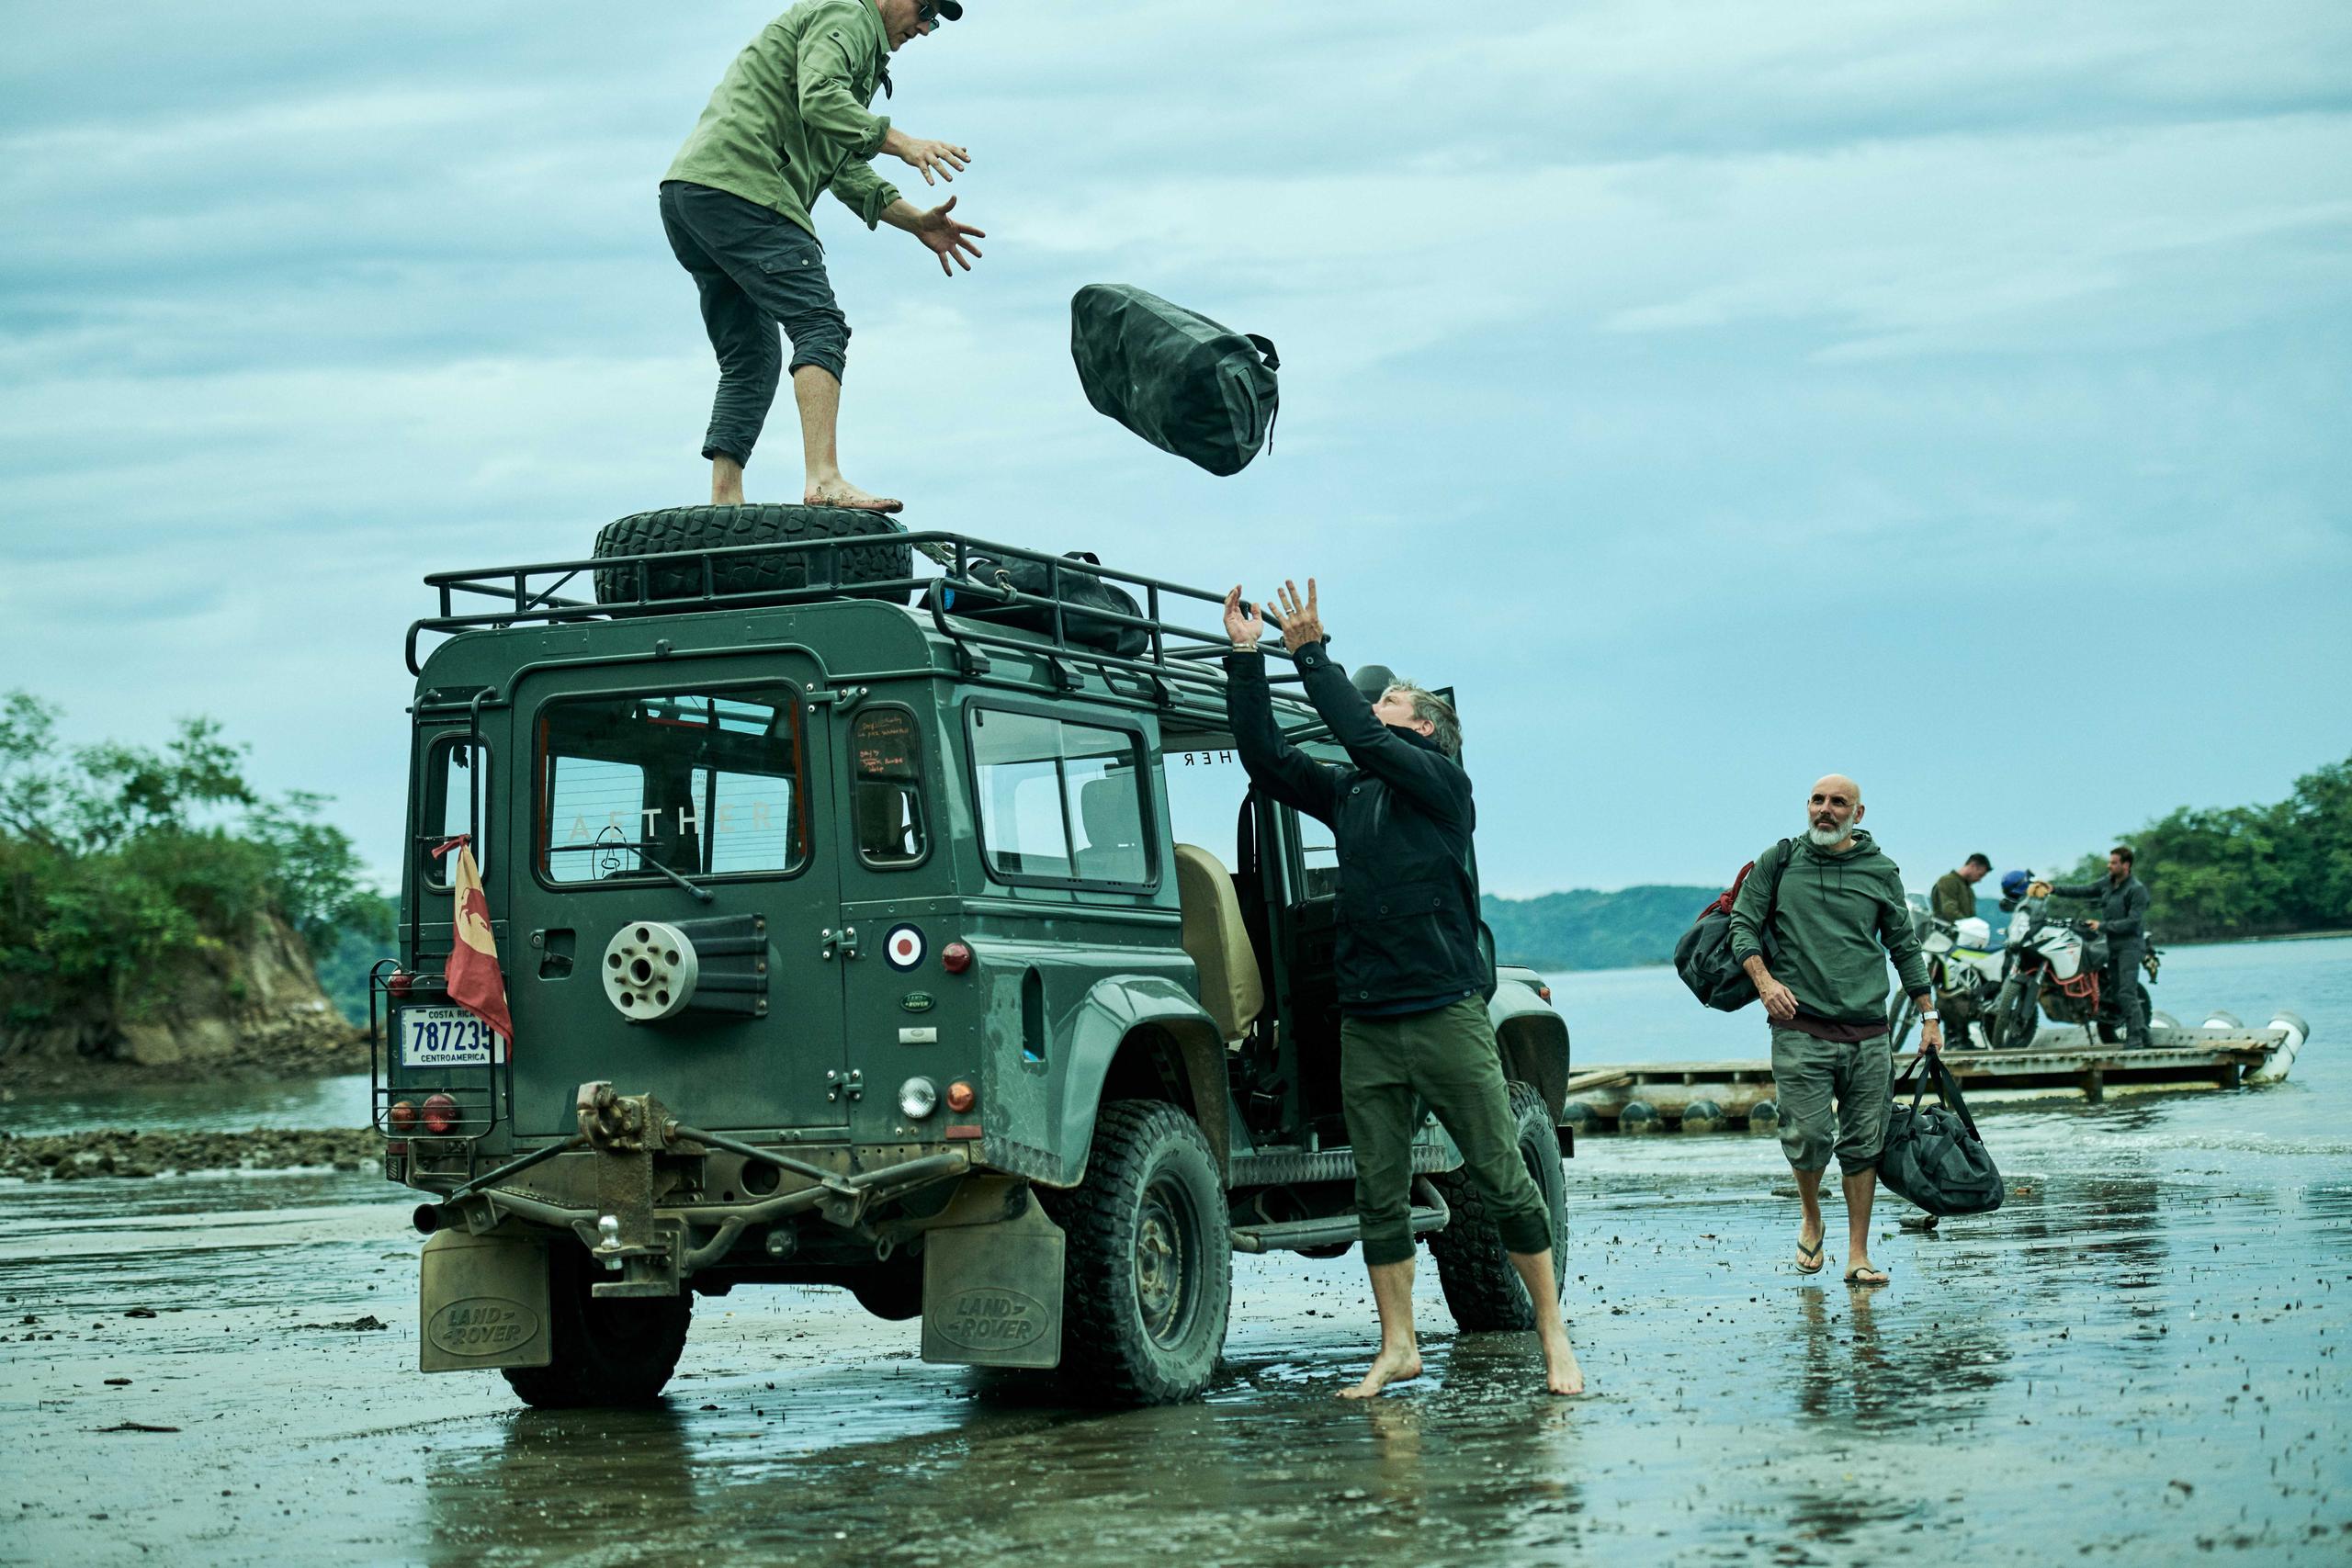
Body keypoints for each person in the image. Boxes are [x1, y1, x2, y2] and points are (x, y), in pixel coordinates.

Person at [1220, 578, 1583, 1398]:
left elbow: (1365, 739)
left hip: (1447, 1013)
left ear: (1425, 727)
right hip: (1369, 1021)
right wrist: (1247, 661)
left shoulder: (1443, 787)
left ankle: (1553, 1335)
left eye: (1389, 699)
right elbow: (1266, 760)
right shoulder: (1355, 794)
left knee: (1499, 1173)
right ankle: (1398, 1347)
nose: (1373, 704)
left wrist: (1310, 653)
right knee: (1378, 1191)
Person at [662, 0, 987, 513]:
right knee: (819, 323)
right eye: (925, 8)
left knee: (753, 355)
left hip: (695, 194)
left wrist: (917, 221)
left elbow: (842, 166)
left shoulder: (856, 47)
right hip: (747, 187)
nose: (926, 27)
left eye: (937, 20)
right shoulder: (850, 16)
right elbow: (820, 99)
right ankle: (825, 479)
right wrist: (902, 143)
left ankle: (725, 501)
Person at [1729, 775, 1939, 1289]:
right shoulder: (1779, 861)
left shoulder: (1880, 870)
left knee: (1864, 1142)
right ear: (1808, 806)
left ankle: (1857, 1253)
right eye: (1818, 801)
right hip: (1799, 1024)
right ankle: (1810, 1215)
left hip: (1869, 1031)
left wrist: (1929, 1016)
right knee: (1808, 1134)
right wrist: (1764, 983)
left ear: (1858, 814)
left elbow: (1903, 945)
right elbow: (1742, 924)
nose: (1826, 810)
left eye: (1838, 803)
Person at [2051, 846, 2153, 1048]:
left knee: (2126, 992)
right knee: (2115, 993)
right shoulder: (2108, 883)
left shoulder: (2136, 889)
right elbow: (2084, 890)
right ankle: (2144, 1034)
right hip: (2111, 945)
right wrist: (2053, 889)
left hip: (2130, 946)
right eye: (2110, 862)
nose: (2110, 866)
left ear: (2126, 865)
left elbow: (2133, 922)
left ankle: (2135, 1038)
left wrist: (2102, 926)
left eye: (2114, 863)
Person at [1931, 853, 1992, 924]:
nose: (1979, 880)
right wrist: (1970, 926)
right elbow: (1949, 911)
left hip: (1964, 933)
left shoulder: (1969, 891)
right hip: (1944, 933)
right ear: (1973, 866)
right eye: (1980, 875)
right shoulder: (1948, 881)